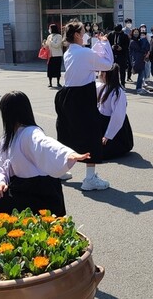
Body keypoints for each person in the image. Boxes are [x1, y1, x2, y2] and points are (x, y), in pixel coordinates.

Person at [0, 91, 90, 217]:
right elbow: (0, 162)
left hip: (40, 191)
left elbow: (44, 144)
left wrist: (67, 154)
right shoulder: (7, 138)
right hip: (21, 187)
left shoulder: (30, 132)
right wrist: (0, 183)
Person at [55, 21, 114, 190]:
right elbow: (108, 64)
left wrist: (99, 45)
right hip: (82, 96)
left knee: (67, 133)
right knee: (92, 135)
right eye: (83, 31)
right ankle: (89, 179)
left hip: (66, 95)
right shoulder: (84, 53)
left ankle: (60, 170)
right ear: (77, 35)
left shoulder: (70, 52)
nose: (86, 33)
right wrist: (104, 43)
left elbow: (90, 57)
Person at [96, 64, 134, 160]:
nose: (99, 74)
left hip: (113, 125)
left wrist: (108, 135)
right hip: (102, 122)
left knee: (102, 151)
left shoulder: (117, 92)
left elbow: (117, 116)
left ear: (107, 74)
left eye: (102, 72)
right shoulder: (102, 87)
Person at [129, 28, 150, 94]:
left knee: (141, 74)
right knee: (141, 74)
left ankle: (139, 87)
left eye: (137, 32)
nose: (136, 33)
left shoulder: (139, 40)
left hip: (141, 59)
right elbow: (140, 49)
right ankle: (138, 88)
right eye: (134, 32)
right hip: (136, 60)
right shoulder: (132, 42)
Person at [44, 23, 64, 88]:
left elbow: (57, 45)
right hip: (50, 55)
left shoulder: (59, 36)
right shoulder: (49, 36)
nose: (49, 30)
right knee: (50, 69)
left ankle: (58, 82)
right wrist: (45, 44)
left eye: (50, 28)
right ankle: (50, 82)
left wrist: (50, 41)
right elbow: (47, 45)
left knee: (57, 69)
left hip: (57, 55)